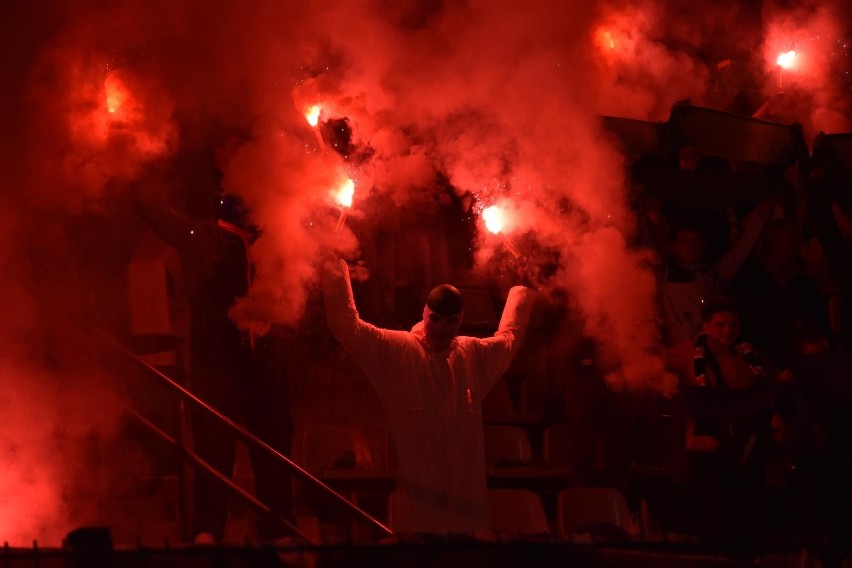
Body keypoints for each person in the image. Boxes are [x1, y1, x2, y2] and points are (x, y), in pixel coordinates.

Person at [133, 171, 296, 545]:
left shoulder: (274, 248)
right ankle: (210, 533)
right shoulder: (203, 238)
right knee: (214, 457)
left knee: (271, 453)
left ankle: (277, 529)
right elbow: (155, 212)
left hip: (264, 372)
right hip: (217, 371)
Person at [322, 257, 537, 535]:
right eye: (435, 319)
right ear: (424, 313)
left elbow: (509, 338)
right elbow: (347, 326)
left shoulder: (471, 354)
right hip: (418, 503)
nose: (442, 328)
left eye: (451, 321)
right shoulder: (398, 350)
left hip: (465, 502)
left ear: (460, 319)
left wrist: (522, 289)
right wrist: (332, 264)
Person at [665, 296, 789, 541]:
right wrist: (691, 430)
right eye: (720, 324)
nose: (727, 330)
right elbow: (670, 381)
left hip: (742, 447)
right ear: (706, 327)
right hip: (708, 448)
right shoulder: (687, 352)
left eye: (733, 325)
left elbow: (767, 383)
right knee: (714, 515)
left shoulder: (748, 355)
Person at [658, 198, 782, 347]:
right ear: (674, 245)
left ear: (703, 245)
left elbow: (742, 249)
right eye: (684, 240)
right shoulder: (661, 273)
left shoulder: (714, 275)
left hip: (714, 351)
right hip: (680, 353)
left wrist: (765, 207)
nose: (690, 246)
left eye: (695, 240)